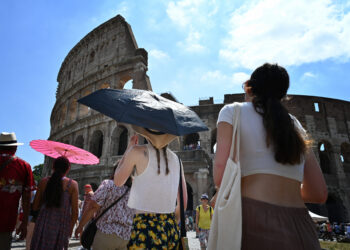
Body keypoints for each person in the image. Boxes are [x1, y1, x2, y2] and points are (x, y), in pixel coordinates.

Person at [214, 63, 328, 250]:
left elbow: (220, 176)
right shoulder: (295, 126)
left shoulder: (232, 112)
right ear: (282, 95)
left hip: (253, 218)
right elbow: (319, 193)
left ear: (249, 87)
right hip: (302, 224)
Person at [114, 127, 187, 249]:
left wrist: (128, 149)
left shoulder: (137, 152)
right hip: (170, 227)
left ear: (146, 133)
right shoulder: (177, 160)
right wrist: (171, 220)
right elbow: (183, 202)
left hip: (144, 228)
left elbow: (118, 181)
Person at [75, 163, 135, 250]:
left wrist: (80, 226)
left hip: (106, 233)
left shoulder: (108, 185)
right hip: (124, 238)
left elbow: (93, 207)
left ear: (115, 171)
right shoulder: (133, 192)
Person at [30, 156, 79, 250]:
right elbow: (75, 212)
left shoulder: (43, 182)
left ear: (53, 167)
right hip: (61, 225)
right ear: (68, 168)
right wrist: (70, 229)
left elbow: (35, 207)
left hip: (43, 223)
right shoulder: (72, 185)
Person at [0, 132, 35, 250]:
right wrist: (24, 223)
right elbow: (26, 198)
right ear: (15, 147)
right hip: (6, 222)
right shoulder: (23, 166)